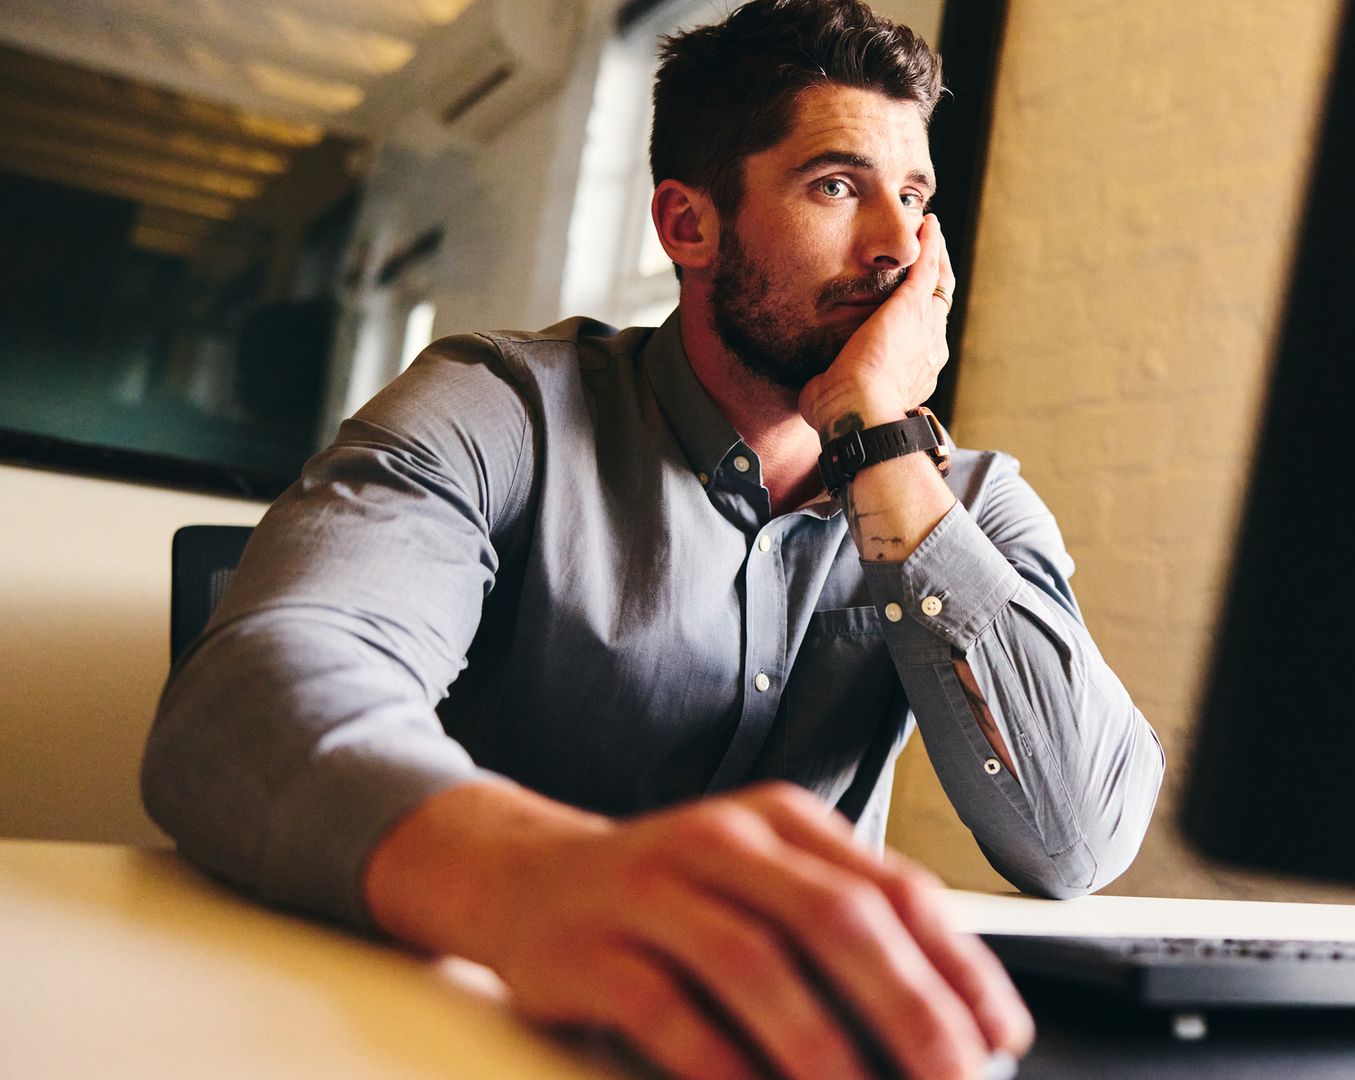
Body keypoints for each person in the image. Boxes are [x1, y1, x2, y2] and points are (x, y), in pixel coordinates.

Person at [142, 1, 1164, 1077]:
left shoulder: (963, 501)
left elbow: (1075, 843)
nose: (898, 249)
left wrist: (888, 456)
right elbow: (242, 702)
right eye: (836, 186)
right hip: (462, 1032)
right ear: (688, 227)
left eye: (915, 198)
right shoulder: (501, 410)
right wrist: (540, 882)